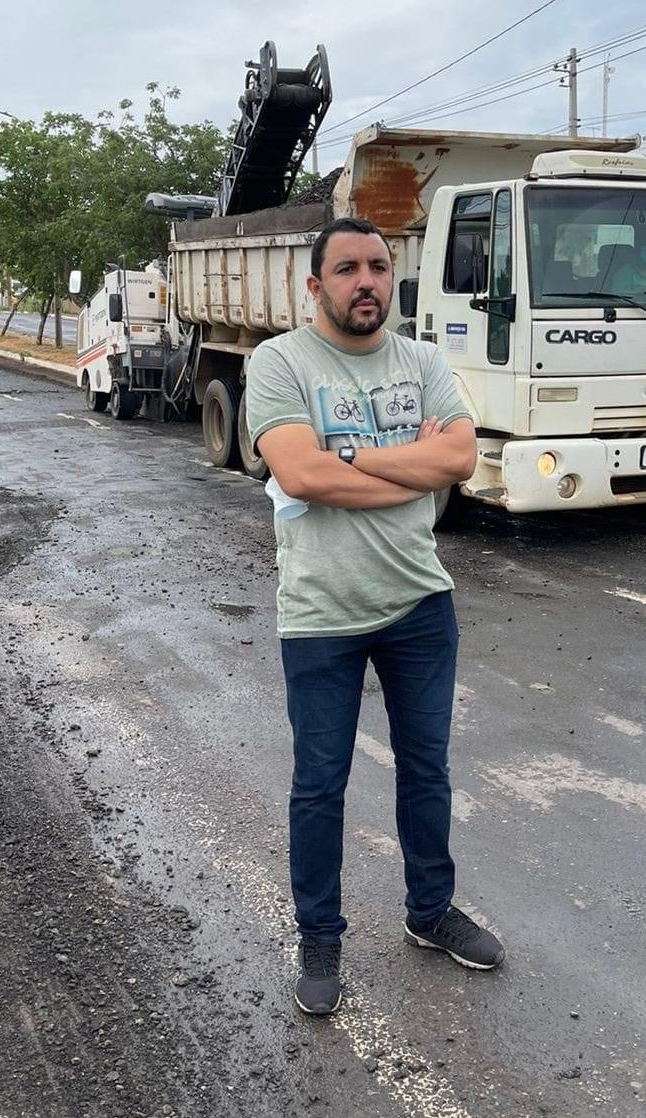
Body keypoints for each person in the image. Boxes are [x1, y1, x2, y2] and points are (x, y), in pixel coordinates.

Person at [245, 216, 505, 1016]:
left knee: (428, 771)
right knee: (320, 785)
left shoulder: (423, 359)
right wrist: (400, 470)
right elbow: (298, 471)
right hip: (321, 613)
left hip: (420, 604)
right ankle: (319, 935)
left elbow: (459, 460)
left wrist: (346, 458)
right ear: (315, 285)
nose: (368, 282)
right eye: (349, 268)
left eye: (380, 267)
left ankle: (429, 913)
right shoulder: (279, 361)